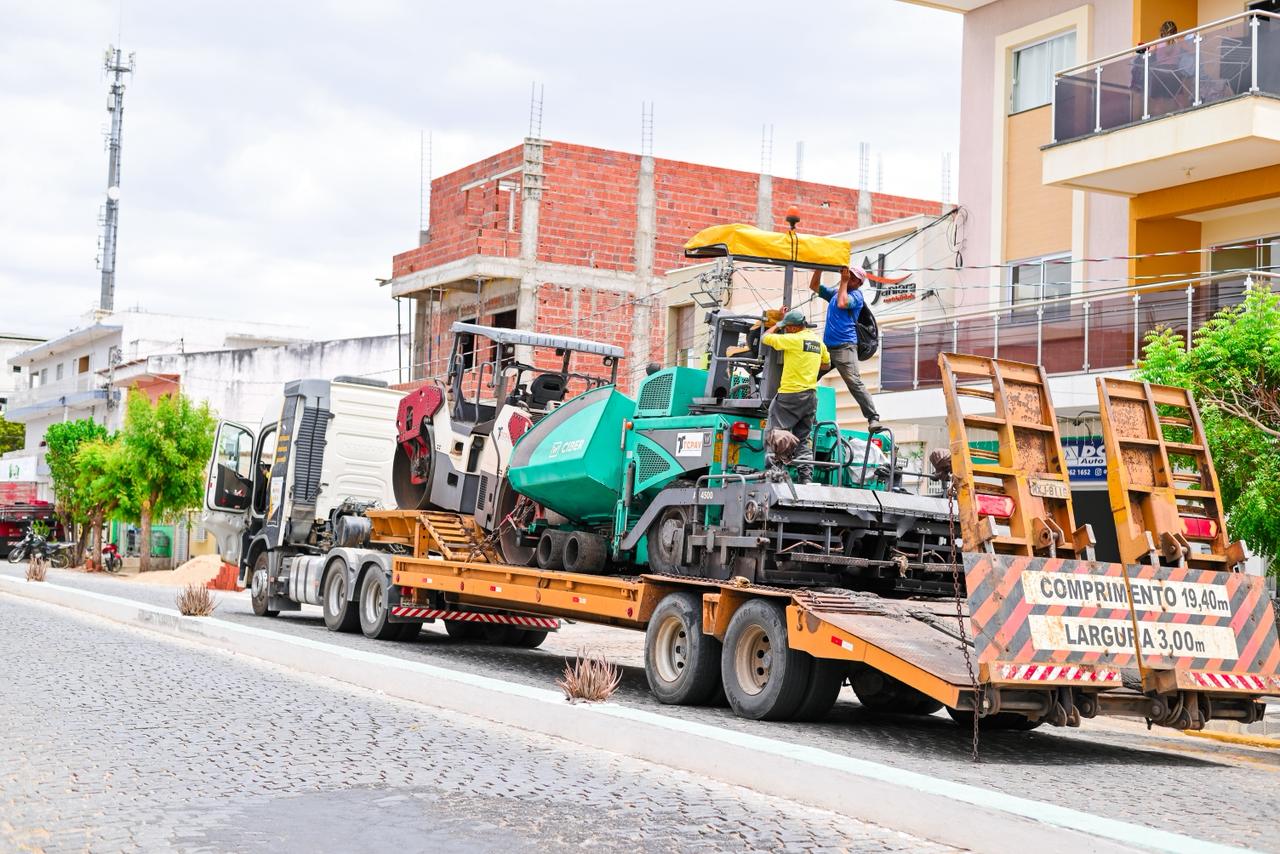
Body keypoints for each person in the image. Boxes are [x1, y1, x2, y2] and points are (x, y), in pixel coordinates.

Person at [761, 308, 830, 484]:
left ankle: (774, 473)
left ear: (792, 328)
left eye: (787, 327)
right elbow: (826, 364)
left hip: (790, 394)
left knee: (775, 432)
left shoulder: (793, 340)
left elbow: (765, 338)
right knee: (803, 438)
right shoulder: (817, 342)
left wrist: (776, 324)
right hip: (811, 396)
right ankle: (805, 477)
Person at [809, 266, 882, 432]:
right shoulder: (835, 293)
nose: (849, 278)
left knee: (853, 382)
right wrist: (819, 269)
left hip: (845, 347)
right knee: (808, 378)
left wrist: (843, 281)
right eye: (850, 275)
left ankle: (873, 418)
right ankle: (810, 416)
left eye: (853, 277)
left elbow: (842, 303)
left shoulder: (856, 296)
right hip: (827, 348)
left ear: (859, 283)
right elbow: (814, 286)